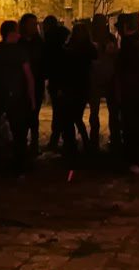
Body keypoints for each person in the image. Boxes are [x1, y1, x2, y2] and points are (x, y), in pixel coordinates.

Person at [0, 20, 35, 171]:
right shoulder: (20, 52)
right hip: (15, 97)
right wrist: (32, 98)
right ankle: (19, 166)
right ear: (12, 33)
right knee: (18, 132)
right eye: (17, 31)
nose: (19, 35)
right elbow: (28, 76)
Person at [114, 13, 139, 174]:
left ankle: (134, 161)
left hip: (130, 93)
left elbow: (120, 71)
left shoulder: (126, 46)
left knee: (131, 129)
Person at [53, 21, 96, 160]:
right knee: (76, 116)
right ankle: (84, 143)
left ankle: (72, 145)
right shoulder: (89, 49)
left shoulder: (69, 49)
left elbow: (63, 70)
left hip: (71, 86)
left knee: (70, 117)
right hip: (82, 86)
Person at [88, 14, 118, 152]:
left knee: (102, 111)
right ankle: (106, 139)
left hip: (102, 78)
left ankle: (97, 140)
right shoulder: (95, 39)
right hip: (103, 78)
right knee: (103, 111)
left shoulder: (100, 38)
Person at [17, 13, 45, 154]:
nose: (35, 26)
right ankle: (22, 143)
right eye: (32, 24)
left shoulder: (39, 43)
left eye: (36, 24)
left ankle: (34, 143)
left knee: (34, 114)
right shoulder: (19, 43)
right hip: (21, 85)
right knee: (22, 115)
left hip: (37, 83)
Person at [42, 16, 68, 152]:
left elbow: (50, 61)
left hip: (57, 80)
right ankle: (66, 140)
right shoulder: (64, 36)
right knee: (62, 112)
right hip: (62, 80)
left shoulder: (50, 41)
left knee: (59, 112)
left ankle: (58, 140)